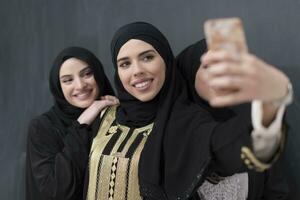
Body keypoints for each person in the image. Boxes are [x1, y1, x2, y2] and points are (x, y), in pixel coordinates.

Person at [84, 22, 288, 200]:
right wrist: (80, 125)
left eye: (147, 57)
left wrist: (271, 101)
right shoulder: (106, 115)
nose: (136, 70)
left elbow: (226, 145)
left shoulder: (182, 118)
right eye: (125, 63)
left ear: (166, 60)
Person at [176, 39, 291, 199]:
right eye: (209, 66)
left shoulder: (252, 124)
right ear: (190, 72)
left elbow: (276, 193)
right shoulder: (173, 136)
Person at [25, 47, 118, 200]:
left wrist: (123, 113)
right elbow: (56, 191)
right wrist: (81, 124)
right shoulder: (43, 127)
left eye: (87, 74)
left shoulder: (117, 113)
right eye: (68, 80)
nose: (80, 85)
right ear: (58, 86)